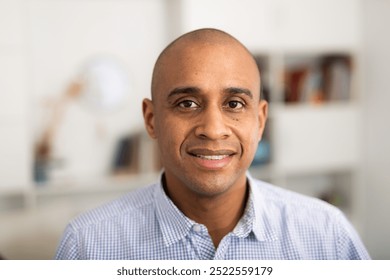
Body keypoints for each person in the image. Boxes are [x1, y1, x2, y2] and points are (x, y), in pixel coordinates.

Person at [55, 28, 370, 260]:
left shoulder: (328, 235)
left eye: (234, 104)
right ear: (151, 120)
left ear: (260, 121)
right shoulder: (87, 244)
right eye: (187, 103)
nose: (213, 130)